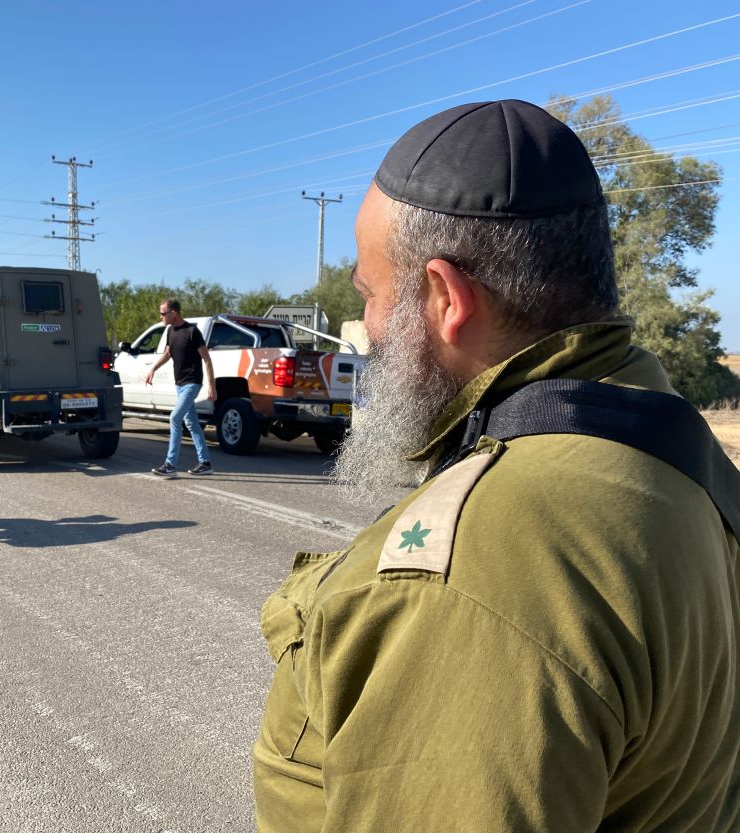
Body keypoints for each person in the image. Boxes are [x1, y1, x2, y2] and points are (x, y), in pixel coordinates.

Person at [253, 100, 739, 832]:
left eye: (371, 294)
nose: (368, 330)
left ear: (447, 298)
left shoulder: (473, 574)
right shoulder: (665, 441)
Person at [144, 298, 216, 477]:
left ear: (173, 313)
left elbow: (207, 359)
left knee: (175, 418)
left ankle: (170, 465)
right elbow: (168, 353)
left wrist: (211, 386)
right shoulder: (170, 331)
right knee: (192, 423)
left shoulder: (192, 331)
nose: (161, 317)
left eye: (163, 313)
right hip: (180, 385)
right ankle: (205, 462)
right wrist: (153, 368)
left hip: (192, 383)